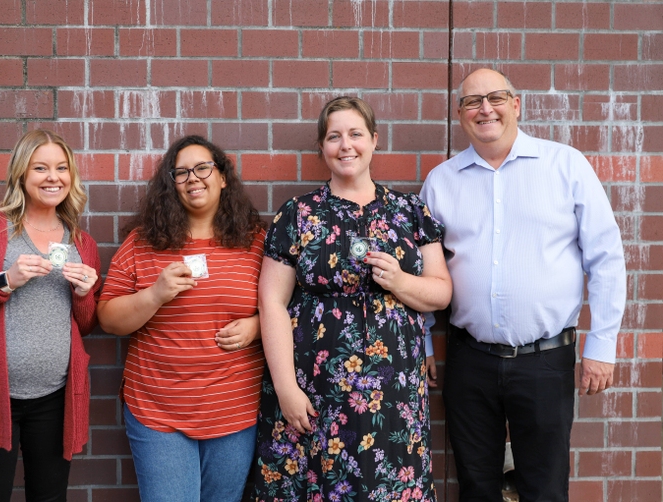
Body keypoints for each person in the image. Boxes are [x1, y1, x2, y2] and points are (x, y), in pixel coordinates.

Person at [419, 68, 626, 501]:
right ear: (460, 115)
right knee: (475, 485)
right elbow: (423, 270)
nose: (485, 108)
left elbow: (606, 258)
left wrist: (601, 346)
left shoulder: (564, 165)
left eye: (496, 97)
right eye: (473, 102)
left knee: (544, 488)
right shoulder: (442, 181)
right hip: (469, 358)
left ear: (516, 105)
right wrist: (423, 344)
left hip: (545, 360)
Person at [252, 96, 452, 502]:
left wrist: (398, 280)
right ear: (322, 148)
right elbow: (271, 302)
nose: (346, 145)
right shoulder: (298, 214)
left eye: (356, 134)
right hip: (315, 389)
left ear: (374, 141)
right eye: (334, 136)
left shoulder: (409, 211)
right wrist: (286, 387)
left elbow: (441, 292)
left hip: (393, 396)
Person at [97, 135, 267, 502]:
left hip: (233, 410)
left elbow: (286, 309)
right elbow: (108, 318)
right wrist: (154, 295)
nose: (193, 178)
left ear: (222, 177)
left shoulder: (255, 242)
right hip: (159, 410)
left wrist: (256, 327)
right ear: (170, 185)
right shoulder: (143, 243)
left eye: (203, 168)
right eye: (181, 173)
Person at [0, 129, 101, 501]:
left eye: (61, 168)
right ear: (21, 175)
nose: (52, 177)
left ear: (71, 176)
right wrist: (3, 281)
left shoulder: (81, 243)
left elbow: (86, 324)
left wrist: (85, 293)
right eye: (40, 168)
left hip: (56, 398)